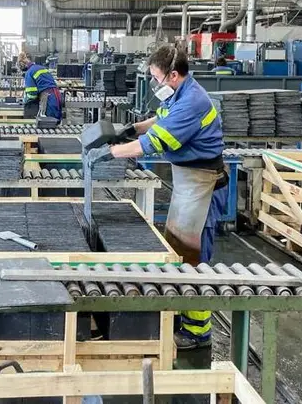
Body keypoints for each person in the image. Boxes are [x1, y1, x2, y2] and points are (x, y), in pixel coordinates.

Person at [86, 44, 224, 350]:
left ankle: (197, 331)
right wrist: (130, 129)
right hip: (189, 181)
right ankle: (181, 312)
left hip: (202, 183)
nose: (155, 83)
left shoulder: (193, 103)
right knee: (176, 247)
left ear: (173, 75)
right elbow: (159, 121)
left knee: (192, 257)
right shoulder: (180, 94)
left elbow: (155, 143)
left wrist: (111, 152)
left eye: (157, 77)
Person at [19, 52, 62, 121]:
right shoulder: (41, 67)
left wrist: (25, 100)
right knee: (55, 122)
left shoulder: (29, 72)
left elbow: (32, 94)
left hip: (48, 98)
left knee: (48, 123)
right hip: (56, 95)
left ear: (22, 63)